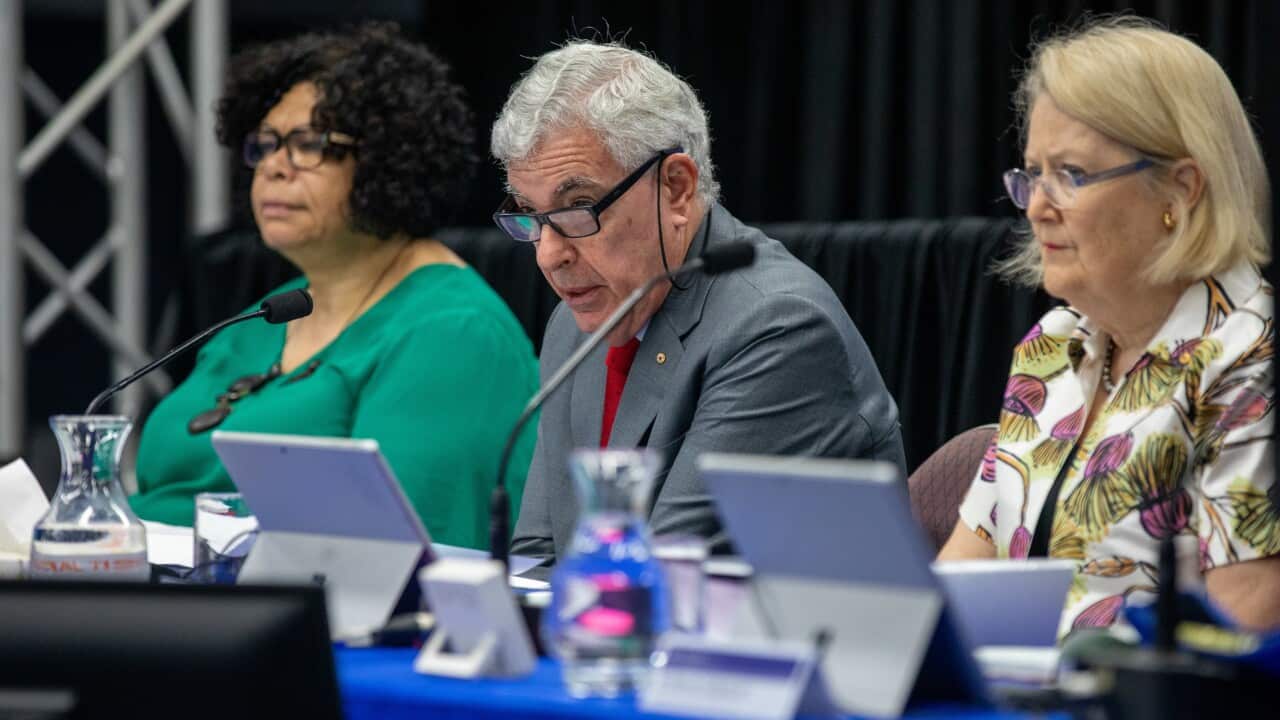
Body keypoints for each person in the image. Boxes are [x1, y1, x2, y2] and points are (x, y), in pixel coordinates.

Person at [490, 40, 906, 567]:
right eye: (529, 214)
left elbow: (662, 572)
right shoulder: (576, 325)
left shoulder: (778, 327)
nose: (549, 255)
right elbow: (538, 553)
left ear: (676, 189)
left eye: (579, 207)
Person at [130, 23, 538, 550]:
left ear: (389, 160)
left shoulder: (456, 335)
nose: (274, 167)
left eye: (309, 144)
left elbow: (397, 553)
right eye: (266, 145)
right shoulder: (260, 319)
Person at [938, 18, 1279, 634]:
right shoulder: (1050, 348)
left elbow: (1239, 640)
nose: (1038, 208)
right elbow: (959, 583)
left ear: (1180, 189)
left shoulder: (1253, 359)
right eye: (1032, 175)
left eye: (1070, 175)